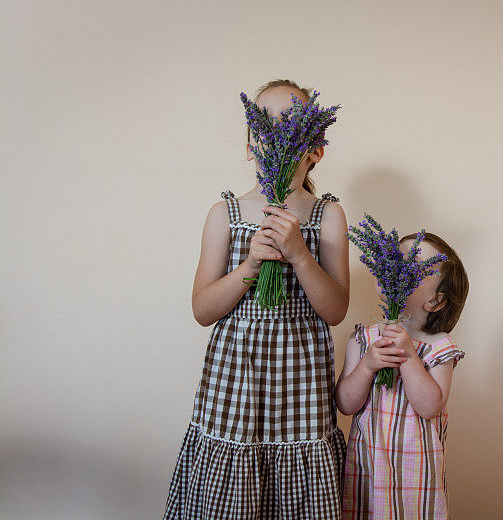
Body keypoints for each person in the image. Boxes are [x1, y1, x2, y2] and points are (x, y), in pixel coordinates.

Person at [163, 79, 350, 519]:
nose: (277, 138)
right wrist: (248, 267)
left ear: (315, 148)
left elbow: (336, 310)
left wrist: (300, 256)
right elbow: (202, 310)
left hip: (299, 388)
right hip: (235, 382)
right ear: (250, 145)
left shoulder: (328, 216)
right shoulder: (223, 214)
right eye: (265, 127)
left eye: (293, 127)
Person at [335, 232, 469, 520]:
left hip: (416, 473)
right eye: (395, 259)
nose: (397, 268)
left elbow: (430, 406)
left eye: (413, 266)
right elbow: (345, 404)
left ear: (434, 302)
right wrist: (367, 365)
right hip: (366, 467)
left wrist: (408, 356)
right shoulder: (363, 339)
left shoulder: (438, 347)